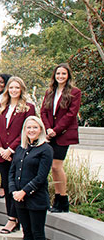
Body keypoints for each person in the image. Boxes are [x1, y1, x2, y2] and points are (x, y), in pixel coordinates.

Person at [0, 76, 36, 233]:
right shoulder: (0, 107)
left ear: (22, 89)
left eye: (17, 88)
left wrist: (10, 149)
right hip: (1, 154)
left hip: (18, 153)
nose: (14, 90)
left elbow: (27, 130)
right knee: (7, 186)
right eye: (11, 88)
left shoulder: (28, 108)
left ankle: (21, 220)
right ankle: (11, 218)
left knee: (19, 186)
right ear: (7, 90)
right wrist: (0, 149)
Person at [41, 63, 82, 213]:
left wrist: (56, 130)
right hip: (50, 133)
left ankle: (63, 200)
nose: (60, 76)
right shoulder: (50, 92)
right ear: (54, 76)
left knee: (56, 166)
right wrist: (47, 129)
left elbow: (71, 115)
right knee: (52, 167)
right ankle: (57, 199)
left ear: (68, 76)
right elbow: (43, 111)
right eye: (58, 74)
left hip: (63, 134)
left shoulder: (75, 92)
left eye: (63, 74)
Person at [9, 116, 54, 240]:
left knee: (37, 233)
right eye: (28, 127)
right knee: (26, 233)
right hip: (19, 199)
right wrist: (14, 192)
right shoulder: (20, 148)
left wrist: (24, 192)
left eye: (35, 127)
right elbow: (12, 172)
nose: (31, 130)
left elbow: (41, 177)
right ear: (24, 130)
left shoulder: (46, 149)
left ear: (41, 129)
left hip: (36, 199)